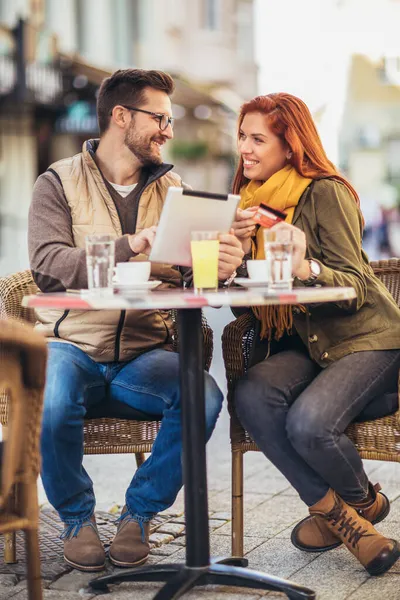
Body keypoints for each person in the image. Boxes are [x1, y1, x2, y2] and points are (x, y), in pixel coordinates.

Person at [28, 69, 243, 572]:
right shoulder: (57, 182)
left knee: (202, 397)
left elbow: (195, 277)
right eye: (159, 118)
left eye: (170, 119)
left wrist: (223, 266)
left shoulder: (175, 189)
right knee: (53, 397)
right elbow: (47, 265)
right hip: (72, 343)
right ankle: (78, 519)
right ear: (121, 117)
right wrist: (132, 246)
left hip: (142, 355)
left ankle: (138, 515)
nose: (168, 129)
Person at [230, 93, 400, 576]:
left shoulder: (325, 191)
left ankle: (354, 508)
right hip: (308, 344)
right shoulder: (247, 204)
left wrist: (306, 266)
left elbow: (357, 283)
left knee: (308, 424)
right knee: (252, 394)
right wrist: (234, 263)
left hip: (368, 338)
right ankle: (349, 514)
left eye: (258, 138)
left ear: (290, 144)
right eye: (242, 136)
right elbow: (250, 305)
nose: (245, 147)